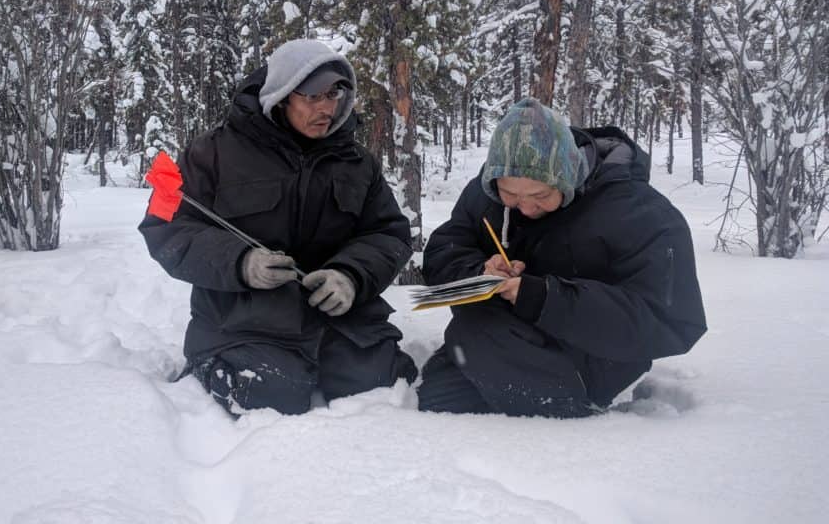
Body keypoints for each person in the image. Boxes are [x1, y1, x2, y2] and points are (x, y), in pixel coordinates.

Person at [139, 39, 417, 415]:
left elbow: (388, 234)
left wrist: (350, 277)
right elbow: (166, 229)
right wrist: (241, 263)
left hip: (339, 319)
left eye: (335, 95)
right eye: (313, 97)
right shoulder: (215, 153)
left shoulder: (356, 163)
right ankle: (212, 371)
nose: (326, 108)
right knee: (272, 396)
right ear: (283, 96)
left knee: (377, 389)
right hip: (243, 319)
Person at [416, 97, 707, 417]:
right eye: (510, 196)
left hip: (589, 356)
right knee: (437, 399)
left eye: (540, 196)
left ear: (568, 177)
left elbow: (671, 320)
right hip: (497, 338)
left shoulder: (639, 213)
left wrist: (545, 298)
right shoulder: (487, 192)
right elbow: (446, 248)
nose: (525, 208)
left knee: (471, 337)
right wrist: (480, 271)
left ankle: (574, 429)